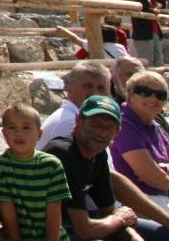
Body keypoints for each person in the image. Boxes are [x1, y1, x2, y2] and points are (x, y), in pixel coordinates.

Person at [44, 95, 146, 241]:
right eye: (95, 124)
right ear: (79, 120)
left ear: (117, 131)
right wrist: (121, 219)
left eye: (109, 127)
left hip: (80, 226)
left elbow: (109, 212)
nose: (102, 132)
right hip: (50, 232)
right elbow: (84, 230)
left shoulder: (98, 155)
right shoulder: (62, 153)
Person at [0, 102, 70, 241]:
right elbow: (7, 210)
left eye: (26, 127)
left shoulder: (51, 165)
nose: (19, 133)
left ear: (39, 134)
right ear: (4, 134)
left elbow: (53, 211)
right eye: (12, 127)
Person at [110, 71, 169, 205]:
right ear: (130, 95)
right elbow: (154, 178)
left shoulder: (153, 125)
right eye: (145, 92)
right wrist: (162, 172)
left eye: (160, 95)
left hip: (161, 199)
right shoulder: (123, 124)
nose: (153, 99)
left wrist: (165, 169)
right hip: (141, 204)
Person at [37, 61, 111, 150]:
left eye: (101, 88)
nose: (95, 93)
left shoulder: (79, 118)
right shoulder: (70, 122)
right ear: (70, 89)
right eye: (87, 86)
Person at [132, 0, 163, 66]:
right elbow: (143, 9)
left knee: (159, 63)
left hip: (154, 33)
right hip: (144, 36)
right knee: (147, 64)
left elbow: (161, 4)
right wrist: (154, 10)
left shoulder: (151, 0)